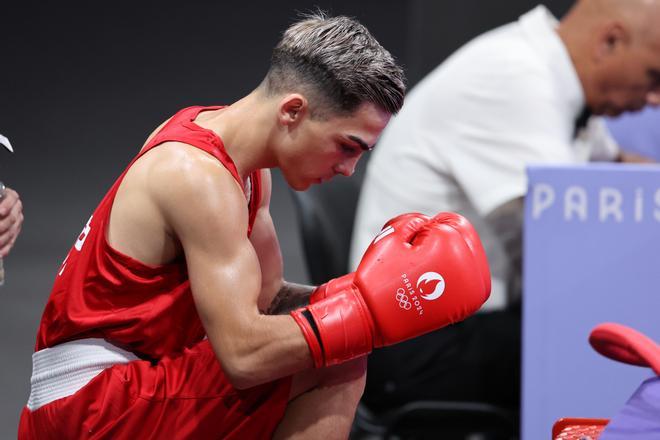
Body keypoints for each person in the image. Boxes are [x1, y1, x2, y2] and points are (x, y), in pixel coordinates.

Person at [18, 13, 492, 439]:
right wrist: (367, 314)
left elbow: (266, 302)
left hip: (127, 386)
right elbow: (244, 357)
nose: (348, 169)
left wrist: (369, 293)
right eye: (348, 145)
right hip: (89, 406)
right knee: (334, 360)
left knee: (329, 341)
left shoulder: (243, 168)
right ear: (292, 111)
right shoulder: (194, 176)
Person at [350, 0, 660, 415]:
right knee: (616, 356)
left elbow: (627, 172)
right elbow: (575, 249)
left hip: (468, 322)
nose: (656, 99)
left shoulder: (554, 77)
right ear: (609, 41)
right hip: (417, 342)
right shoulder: (515, 79)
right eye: (653, 76)